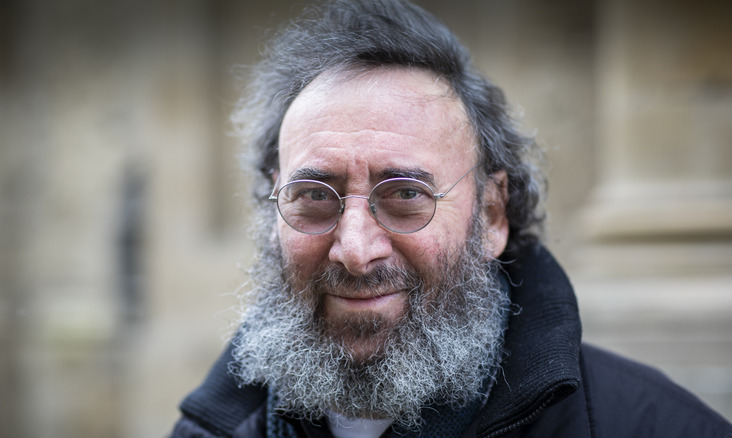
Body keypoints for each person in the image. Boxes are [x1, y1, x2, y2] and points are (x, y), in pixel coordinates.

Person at [170, 1, 732, 437]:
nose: (356, 249)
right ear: (274, 207)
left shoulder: (650, 426)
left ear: (490, 215)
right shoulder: (211, 428)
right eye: (314, 195)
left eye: (406, 195)